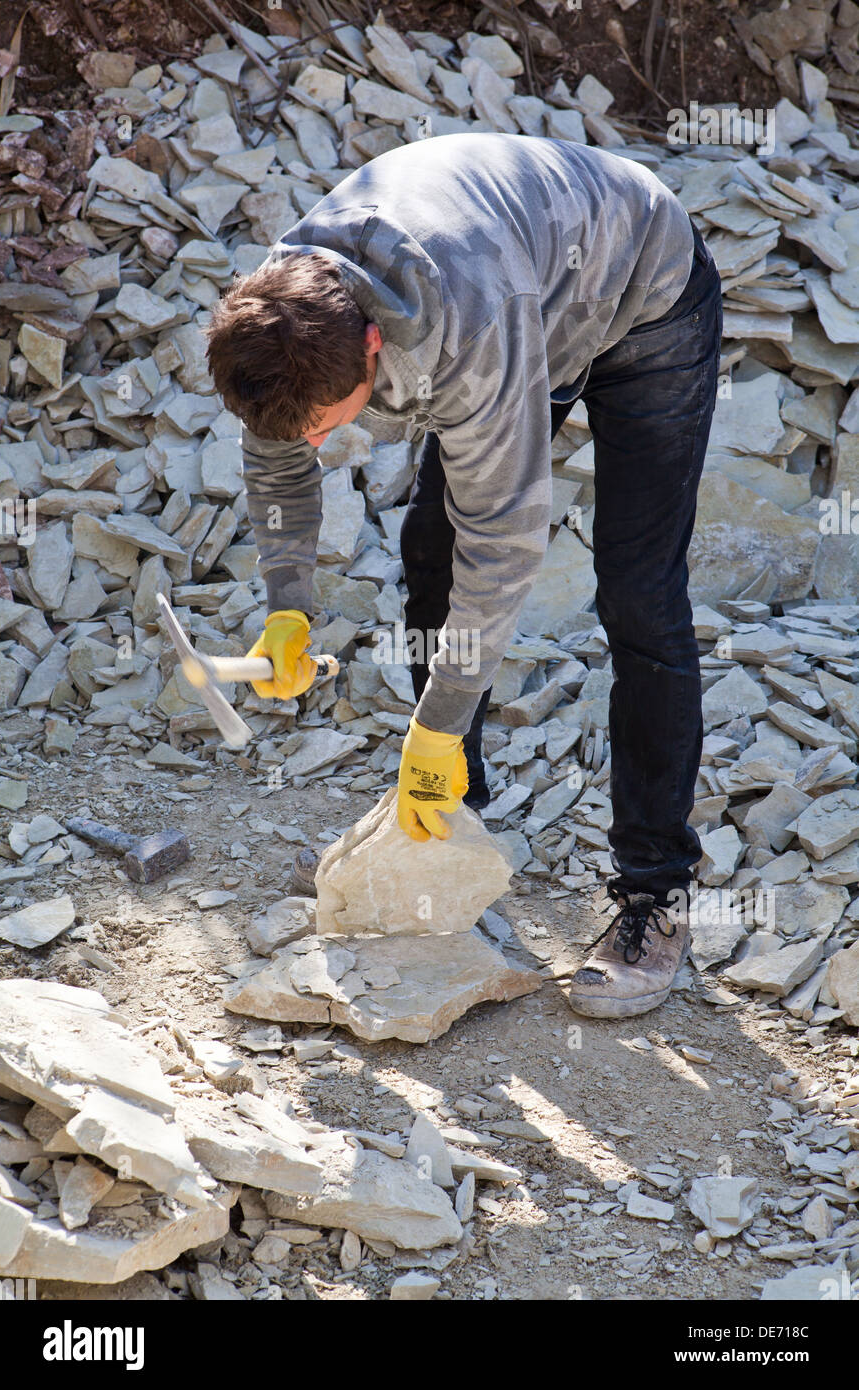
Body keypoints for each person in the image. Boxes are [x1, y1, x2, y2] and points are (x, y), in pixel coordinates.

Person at [205, 132, 723, 1019]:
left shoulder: (469, 325)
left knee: (637, 591)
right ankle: (444, 819)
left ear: (373, 347)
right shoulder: (282, 315)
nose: (323, 444)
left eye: (331, 423)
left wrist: (437, 721)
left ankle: (655, 894)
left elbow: (506, 539)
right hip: (534, 285)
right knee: (427, 552)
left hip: (642, 293)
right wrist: (288, 608)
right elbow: (281, 455)